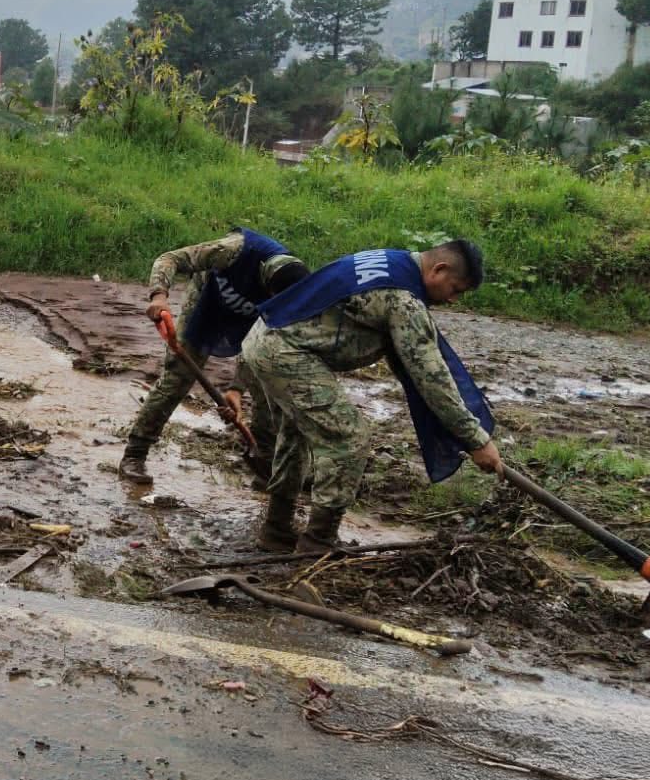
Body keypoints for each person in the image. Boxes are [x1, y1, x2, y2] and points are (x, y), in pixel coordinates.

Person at [240, 239, 502, 554]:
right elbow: (433, 379)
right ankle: (316, 545)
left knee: (296, 433)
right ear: (439, 269)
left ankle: (276, 531)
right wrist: (476, 439)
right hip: (285, 352)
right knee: (349, 439)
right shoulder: (404, 300)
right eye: (455, 289)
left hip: (266, 335)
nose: (454, 299)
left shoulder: (392, 261)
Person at [120, 229, 309, 495]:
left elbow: (259, 347)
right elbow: (169, 259)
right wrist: (159, 296)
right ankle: (134, 454)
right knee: (178, 377)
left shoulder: (288, 296)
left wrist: (236, 389)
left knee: (266, 384)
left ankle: (264, 465)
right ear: (264, 277)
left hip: (249, 316)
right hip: (207, 300)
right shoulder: (233, 250)